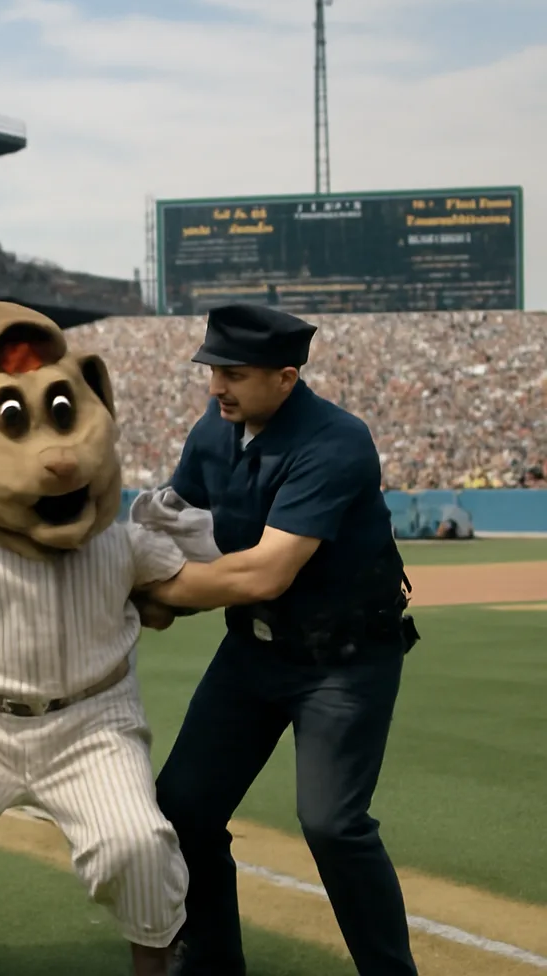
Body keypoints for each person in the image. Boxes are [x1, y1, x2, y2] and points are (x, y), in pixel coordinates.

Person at [142, 302, 420, 976]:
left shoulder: (336, 441)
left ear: (286, 377)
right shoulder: (215, 427)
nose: (216, 388)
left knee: (333, 824)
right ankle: (211, 958)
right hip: (253, 653)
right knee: (184, 807)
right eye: (212, 371)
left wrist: (161, 593)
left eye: (233, 374)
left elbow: (267, 571)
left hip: (343, 661)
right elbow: (177, 520)